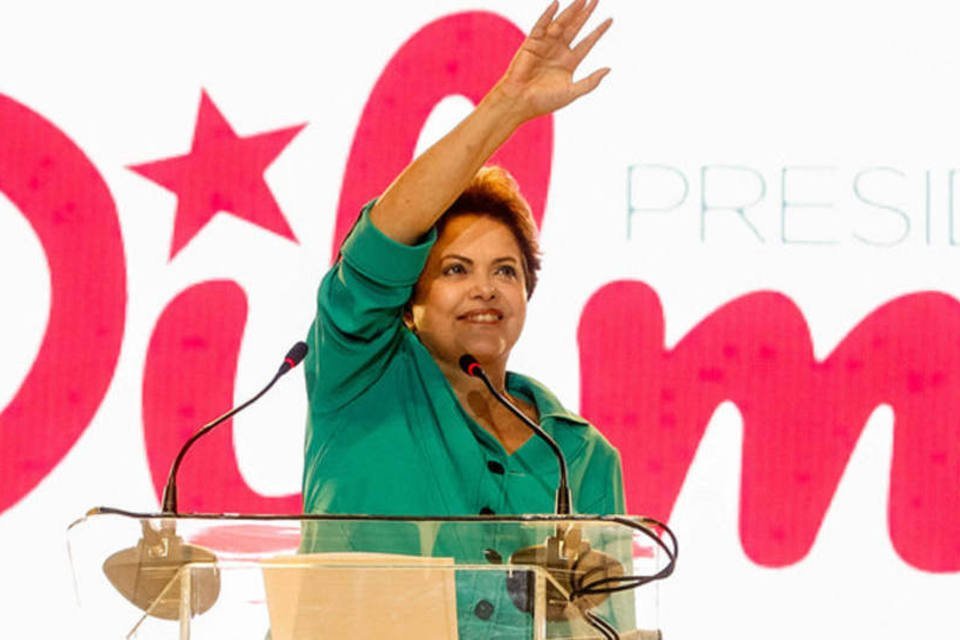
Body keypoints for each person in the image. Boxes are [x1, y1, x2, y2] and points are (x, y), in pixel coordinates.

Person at [301, 1, 632, 635]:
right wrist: (508, 105)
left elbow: (608, 627)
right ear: (409, 300)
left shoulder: (583, 456)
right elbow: (379, 246)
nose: (485, 288)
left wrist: (581, 610)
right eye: (456, 269)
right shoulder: (359, 378)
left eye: (505, 271)